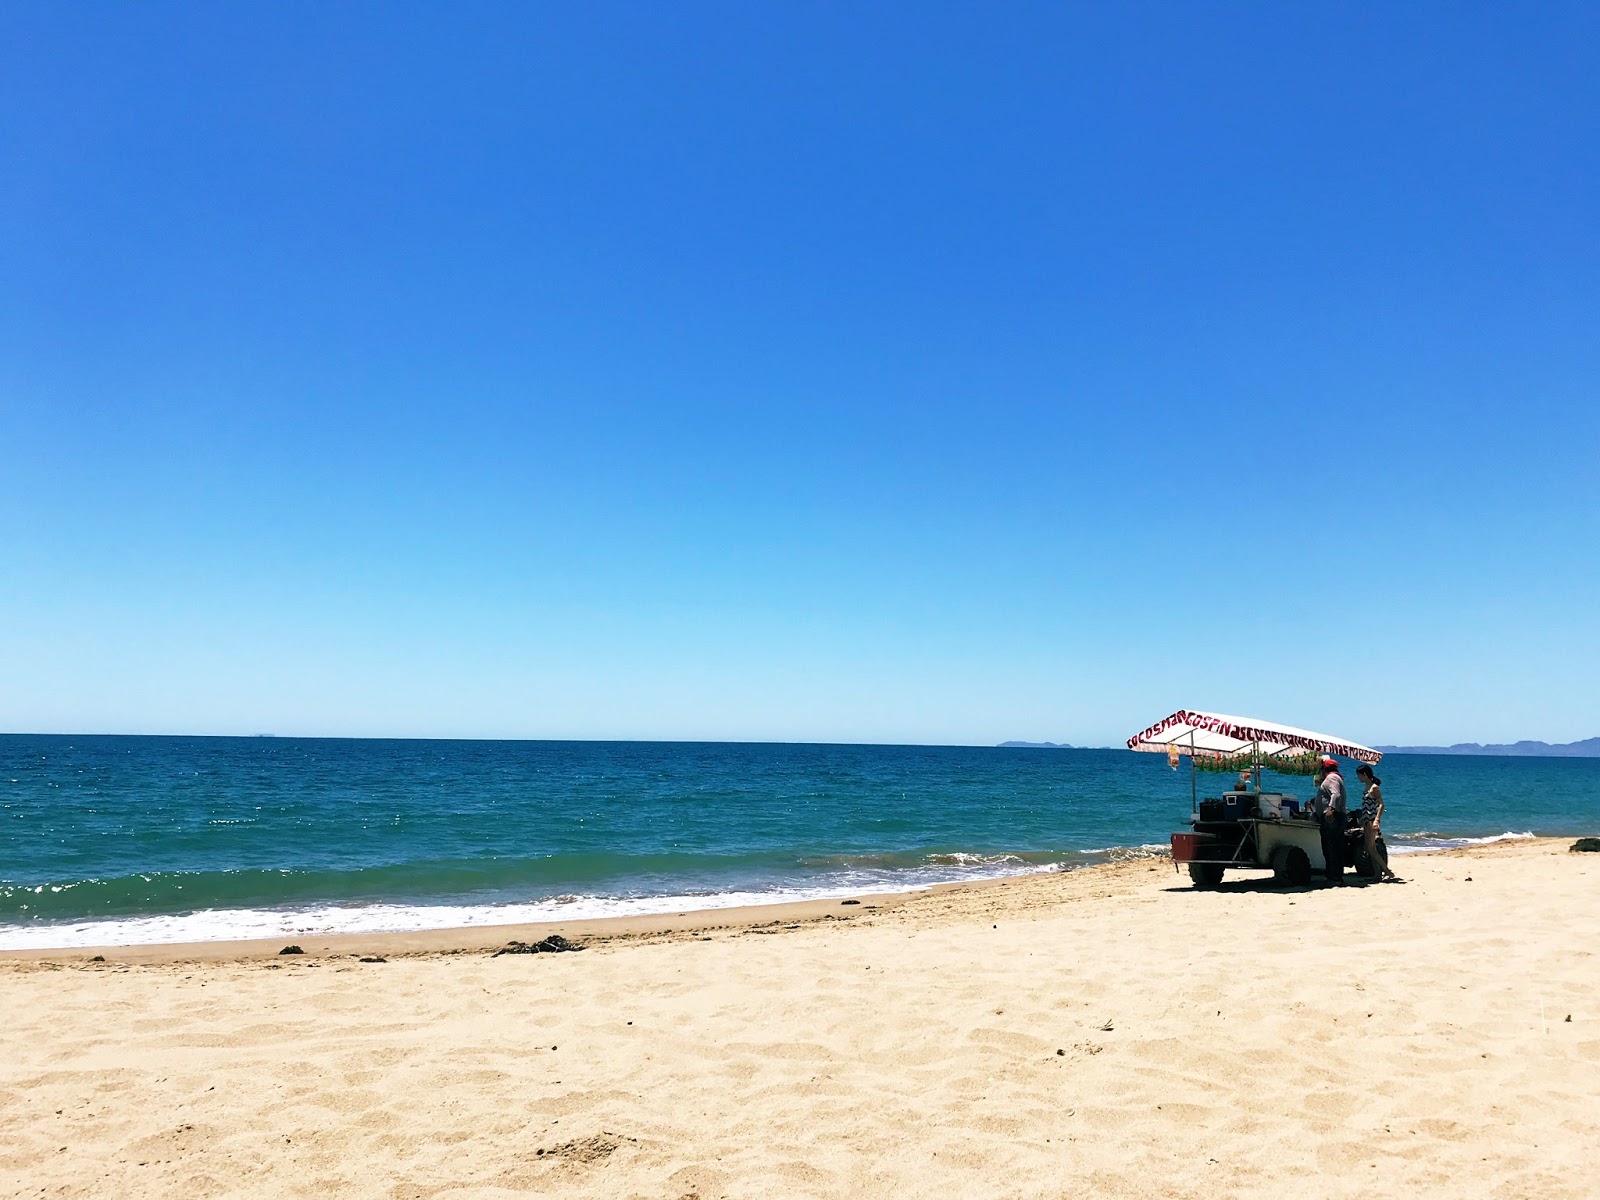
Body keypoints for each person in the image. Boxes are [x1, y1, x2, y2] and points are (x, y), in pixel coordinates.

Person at [1356, 764, 1399, 881]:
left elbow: (1381, 804)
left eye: (1359, 775)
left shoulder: (1374, 788)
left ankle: (1387, 871)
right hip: (1366, 819)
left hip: (1371, 819)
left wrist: (1377, 820)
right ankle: (1377, 874)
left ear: (1365, 775)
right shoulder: (1366, 787)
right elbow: (1365, 805)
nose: (1358, 778)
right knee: (1370, 848)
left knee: (1370, 848)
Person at [1314, 755, 1347, 882]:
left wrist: (1330, 809)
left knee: (1331, 847)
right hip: (1337, 816)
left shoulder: (1331, 777)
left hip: (1333, 817)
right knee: (1334, 847)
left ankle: (1334, 876)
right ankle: (1335, 875)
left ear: (1324, 768)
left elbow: (1335, 794)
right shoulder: (1336, 777)